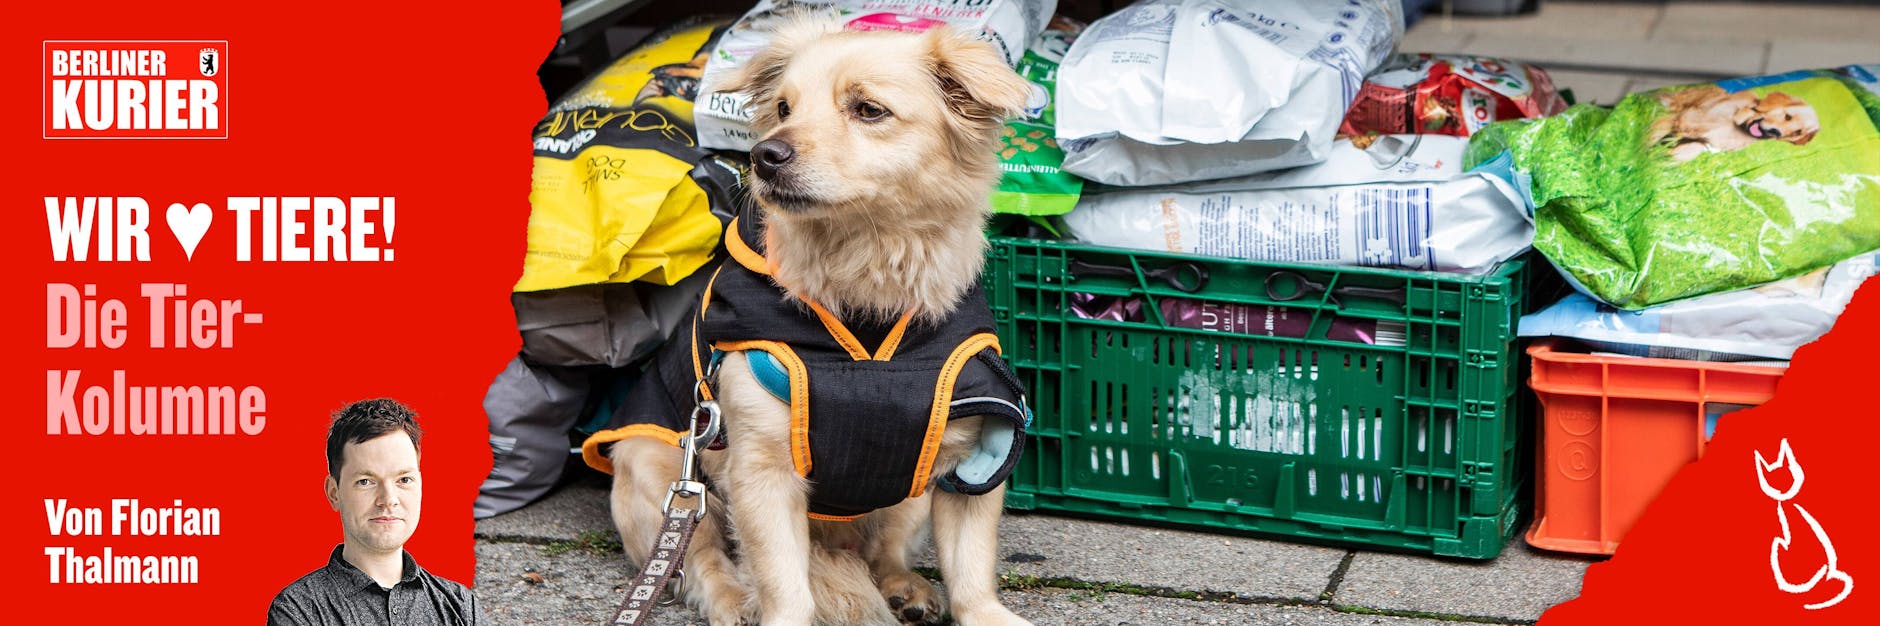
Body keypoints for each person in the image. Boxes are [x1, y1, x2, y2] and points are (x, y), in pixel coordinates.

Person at [268, 399, 483, 626]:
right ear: (334, 493)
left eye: (404, 479)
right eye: (365, 481)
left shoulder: (460, 606)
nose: (388, 499)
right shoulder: (298, 610)